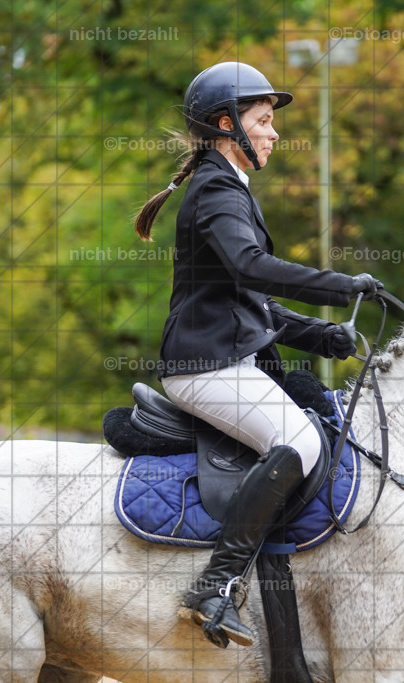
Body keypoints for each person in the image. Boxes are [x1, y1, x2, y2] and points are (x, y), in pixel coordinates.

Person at [133, 61, 382, 648]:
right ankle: (215, 587)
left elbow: (247, 299)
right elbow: (251, 268)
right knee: (300, 442)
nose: (274, 134)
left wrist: (322, 335)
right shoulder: (217, 188)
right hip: (204, 367)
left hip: (224, 361)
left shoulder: (229, 188)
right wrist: (339, 285)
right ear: (227, 125)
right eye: (263, 121)